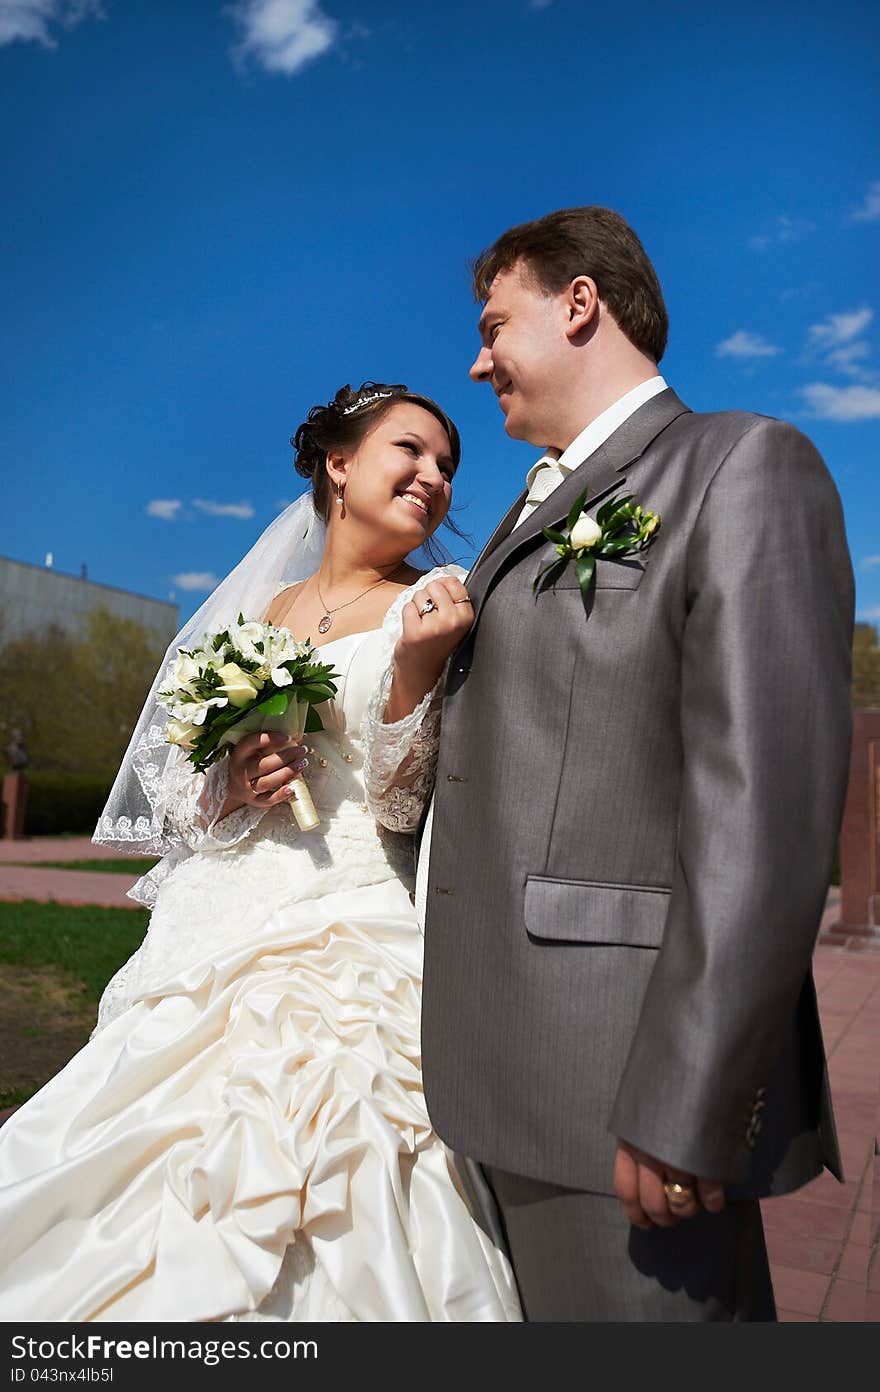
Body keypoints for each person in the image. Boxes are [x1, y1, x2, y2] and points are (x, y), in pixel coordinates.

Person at [0, 382, 521, 1324]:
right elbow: (183, 798)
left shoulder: (437, 605)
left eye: (447, 466)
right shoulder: (259, 608)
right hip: (213, 921)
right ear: (338, 465)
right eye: (411, 451)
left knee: (346, 1148)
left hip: (349, 922)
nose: (434, 478)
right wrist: (234, 781)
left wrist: (410, 672)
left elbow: (405, 802)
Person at [418, 207, 854, 1321]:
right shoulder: (537, 505)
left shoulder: (741, 465)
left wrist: (688, 1103)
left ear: (578, 304)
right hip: (496, 1078)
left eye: (492, 324)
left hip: (618, 1094)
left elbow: (762, 816)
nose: (476, 361)